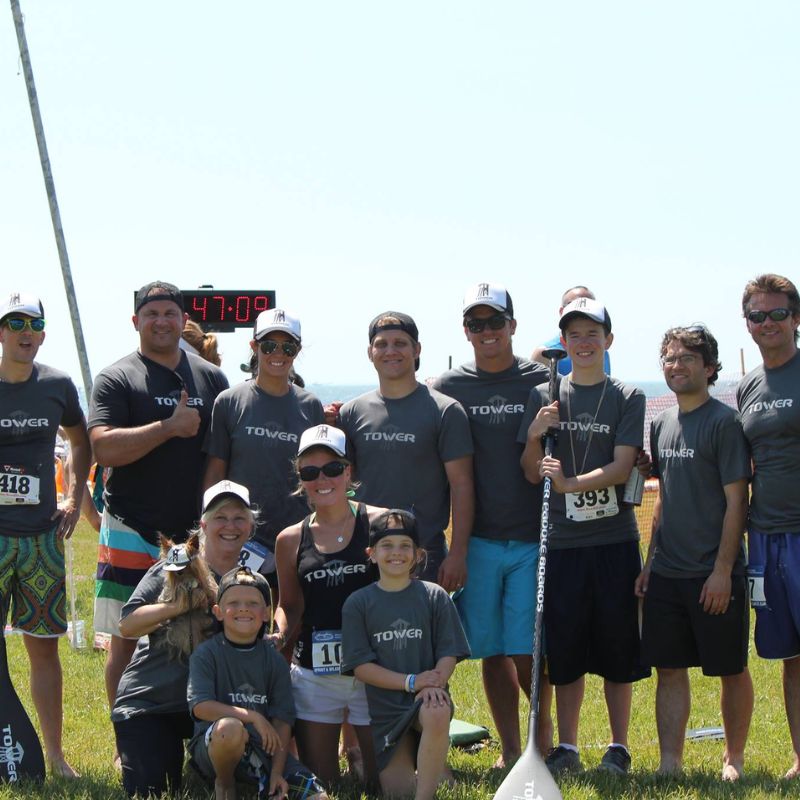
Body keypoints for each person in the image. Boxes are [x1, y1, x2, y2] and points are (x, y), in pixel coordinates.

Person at [89, 281, 229, 725]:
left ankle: (198, 730)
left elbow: (218, 454)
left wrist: (207, 522)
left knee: (203, 633)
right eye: (152, 314)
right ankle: (124, 735)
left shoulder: (210, 376)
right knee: (123, 639)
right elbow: (104, 449)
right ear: (136, 322)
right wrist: (167, 427)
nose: (162, 322)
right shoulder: (116, 377)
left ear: (183, 320)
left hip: (192, 535)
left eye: (171, 313)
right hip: (131, 526)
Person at [519, 297, 648, 775]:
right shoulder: (546, 396)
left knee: (618, 646)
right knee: (567, 648)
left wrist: (572, 483)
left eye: (593, 333)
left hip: (614, 539)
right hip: (563, 545)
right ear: (564, 343)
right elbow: (532, 474)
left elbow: (620, 466)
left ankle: (618, 745)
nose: (584, 342)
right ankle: (568, 747)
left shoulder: (626, 395)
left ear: (608, 340)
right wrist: (535, 434)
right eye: (574, 335)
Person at [431, 282, 552, 766]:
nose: (486, 331)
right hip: (477, 540)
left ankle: (542, 746)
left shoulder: (540, 379)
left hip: (531, 538)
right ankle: (508, 746)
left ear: (513, 326)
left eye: (494, 322)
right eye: (475, 323)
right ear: (465, 330)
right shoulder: (448, 385)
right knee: (491, 651)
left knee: (527, 652)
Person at [636, 325, 752, 780]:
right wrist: (651, 563)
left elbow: (736, 500)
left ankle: (734, 759)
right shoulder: (661, 424)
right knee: (668, 668)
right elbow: (663, 496)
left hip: (714, 571)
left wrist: (723, 570)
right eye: (669, 358)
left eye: (687, 358)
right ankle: (671, 763)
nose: (676, 365)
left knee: (730, 669)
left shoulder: (725, 423)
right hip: (668, 572)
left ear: (708, 368)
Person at [112, 480, 255, 797]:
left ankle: (206, 764)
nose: (230, 526)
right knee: (151, 791)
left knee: (249, 777)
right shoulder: (175, 564)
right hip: (152, 702)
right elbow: (127, 625)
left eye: (239, 517)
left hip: (215, 706)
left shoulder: (255, 574)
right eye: (220, 517)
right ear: (203, 524)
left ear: (250, 525)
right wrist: (176, 606)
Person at [0, 292, 90, 777]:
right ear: (1, 332)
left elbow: (80, 440)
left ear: (42, 332)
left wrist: (74, 498)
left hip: (40, 541)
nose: (25, 331)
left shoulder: (57, 385)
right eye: (15, 322)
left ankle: (54, 756)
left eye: (33, 322)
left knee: (43, 648)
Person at [272, 424, 381, 788]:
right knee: (322, 787)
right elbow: (289, 604)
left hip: (373, 671)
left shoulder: (381, 523)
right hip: (315, 674)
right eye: (310, 472)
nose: (323, 479)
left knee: (381, 784)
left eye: (332, 469)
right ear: (300, 478)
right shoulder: (289, 539)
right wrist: (279, 630)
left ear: (348, 472)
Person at [341, 509, 470, 800]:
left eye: (404, 546)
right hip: (387, 712)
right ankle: (382, 760)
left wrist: (435, 683)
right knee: (398, 792)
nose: (396, 553)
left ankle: (427, 787)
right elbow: (360, 667)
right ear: (371, 553)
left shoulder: (434, 595)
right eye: (386, 546)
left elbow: (450, 651)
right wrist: (412, 681)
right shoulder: (358, 604)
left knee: (436, 712)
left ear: (418, 554)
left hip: (427, 698)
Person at [338, 311, 474, 585]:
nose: (390, 351)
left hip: (423, 551)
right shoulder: (350, 413)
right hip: (366, 550)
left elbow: (462, 485)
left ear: (417, 349)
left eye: (400, 343)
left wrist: (458, 554)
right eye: (381, 344)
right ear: (370, 352)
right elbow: (342, 486)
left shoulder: (445, 410)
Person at [187, 566, 328, 800]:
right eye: (233, 602)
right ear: (218, 612)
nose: (243, 608)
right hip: (216, 747)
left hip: (265, 751)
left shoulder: (275, 661)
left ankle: (265, 784)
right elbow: (200, 706)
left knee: (319, 798)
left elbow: (282, 721)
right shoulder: (206, 654)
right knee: (230, 728)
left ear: (266, 613)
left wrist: (277, 772)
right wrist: (253, 716)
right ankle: (225, 783)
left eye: (253, 603)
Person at [737, 273, 800, 780]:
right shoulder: (748, 387)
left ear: (796, 318)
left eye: (778, 313)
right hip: (765, 539)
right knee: (790, 654)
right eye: (758, 315)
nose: (768, 322)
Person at [204, 308, 324, 574]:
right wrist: (208, 526)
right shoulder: (229, 402)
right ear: (254, 346)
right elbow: (215, 470)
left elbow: (317, 476)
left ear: (298, 349)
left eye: (288, 347)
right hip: (238, 535)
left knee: (291, 612)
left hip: (296, 535)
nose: (278, 354)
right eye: (269, 345)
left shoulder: (311, 405)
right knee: (241, 613)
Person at [531, 285, 611, 376]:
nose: (582, 308)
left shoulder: (601, 352)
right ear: (561, 311)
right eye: (573, 304)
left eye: (589, 303)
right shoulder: (545, 353)